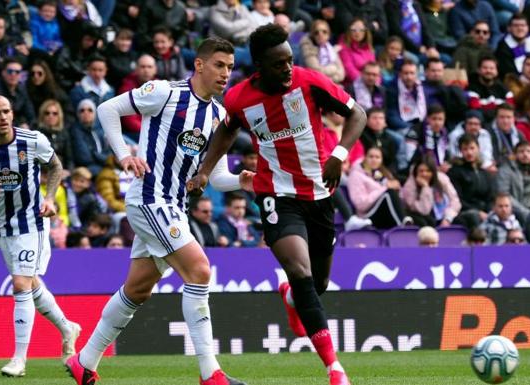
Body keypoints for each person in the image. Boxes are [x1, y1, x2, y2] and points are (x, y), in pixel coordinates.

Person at [65, 37, 250, 385]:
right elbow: (107, 110)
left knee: (137, 289)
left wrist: (243, 180)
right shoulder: (165, 92)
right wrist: (124, 155)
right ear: (199, 64)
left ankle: (84, 360)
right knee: (199, 270)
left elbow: (216, 177)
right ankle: (211, 374)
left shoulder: (219, 116)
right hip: (149, 199)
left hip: (174, 206)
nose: (226, 73)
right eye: (219, 65)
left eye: (229, 67)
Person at [188, 24, 365, 385]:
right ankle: (335, 369)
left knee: (318, 283)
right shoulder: (239, 98)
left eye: (289, 60)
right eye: (278, 64)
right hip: (276, 195)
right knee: (298, 270)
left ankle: (291, 298)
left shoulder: (309, 81)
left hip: (319, 193)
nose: (287, 68)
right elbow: (226, 129)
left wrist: (340, 153)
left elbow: (357, 114)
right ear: (260, 67)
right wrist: (205, 170)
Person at [0, 95, 81, 377]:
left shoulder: (32, 140)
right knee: (32, 284)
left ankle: (19, 360)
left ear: (12, 113)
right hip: (2, 225)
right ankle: (67, 327)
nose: (3, 117)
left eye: (7, 111)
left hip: (32, 221)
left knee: (21, 284)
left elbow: (56, 166)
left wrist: (48, 198)